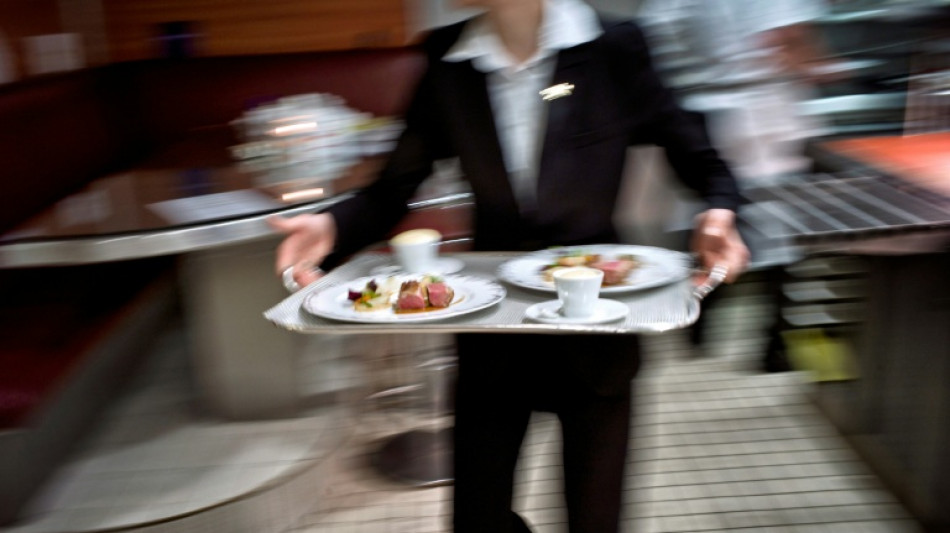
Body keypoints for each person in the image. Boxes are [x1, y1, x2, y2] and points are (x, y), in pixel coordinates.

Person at [270, 0, 749, 531]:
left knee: (595, 519)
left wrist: (720, 211)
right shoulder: (450, 60)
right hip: (492, 332)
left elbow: (697, 155)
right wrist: (331, 228)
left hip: (596, 325)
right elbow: (393, 188)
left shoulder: (611, 47)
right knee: (477, 517)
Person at [638, 0, 838, 370]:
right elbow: (788, 37)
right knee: (777, 234)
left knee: (712, 219)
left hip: (699, 114)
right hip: (759, 117)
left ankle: (697, 322)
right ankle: (774, 346)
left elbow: (653, 42)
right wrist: (824, 68)